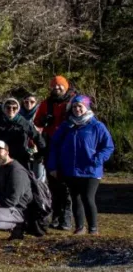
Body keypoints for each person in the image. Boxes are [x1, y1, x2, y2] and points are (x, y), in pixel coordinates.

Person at [47, 96, 114, 235]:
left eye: (80, 106)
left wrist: (97, 159)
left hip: (91, 169)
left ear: (87, 108)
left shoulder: (97, 126)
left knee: (88, 197)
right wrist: (53, 166)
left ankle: (93, 228)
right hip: (71, 169)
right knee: (75, 198)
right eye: (74, 107)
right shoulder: (66, 126)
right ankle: (79, 227)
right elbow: (54, 145)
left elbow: (107, 146)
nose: (77, 109)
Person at [34, 75, 79, 230]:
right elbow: (37, 121)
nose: (57, 88)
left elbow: (88, 109)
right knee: (53, 182)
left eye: (60, 85)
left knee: (66, 183)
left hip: (68, 146)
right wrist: (44, 120)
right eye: (54, 86)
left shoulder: (75, 99)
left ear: (66, 86)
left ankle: (66, 218)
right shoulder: (46, 103)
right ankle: (56, 216)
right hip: (50, 145)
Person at [0, 98, 45, 175]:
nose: (11, 110)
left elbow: (36, 136)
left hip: (21, 156)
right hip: (2, 156)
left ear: (18, 109)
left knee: (21, 178)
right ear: (4, 109)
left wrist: (41, 153)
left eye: (14, 108)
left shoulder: (23, 122)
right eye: (8, 107)